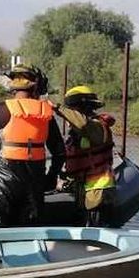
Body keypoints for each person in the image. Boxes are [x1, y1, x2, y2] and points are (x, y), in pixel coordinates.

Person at [0, 65, 64, 227]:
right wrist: (51, 177)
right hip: (35, 182)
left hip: (4, 182)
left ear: (13, 87)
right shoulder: (47, 114)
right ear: (36, 87)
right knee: (32, 231)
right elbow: (59, 153)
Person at [54, 85, 117, 226]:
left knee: (97, 232)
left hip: (99, 191)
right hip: (86, 190)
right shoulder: (77, 132)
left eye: (72, 110)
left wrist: (57, 108)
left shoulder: (97, 126)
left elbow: (83, 124)